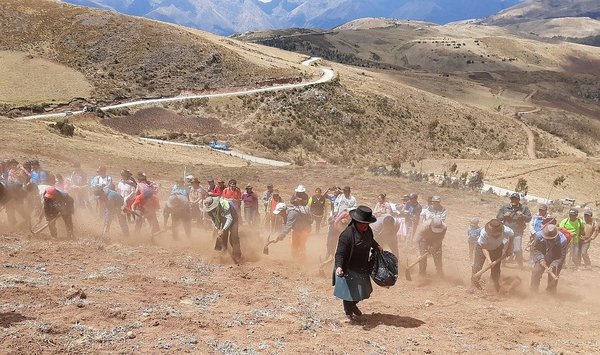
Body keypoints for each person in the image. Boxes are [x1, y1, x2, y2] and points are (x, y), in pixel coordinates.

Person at [333, 206, 381, 321]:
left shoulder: (368, 230)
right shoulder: (347, 235)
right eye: (363, 223)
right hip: (348, 267)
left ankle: (353, 305)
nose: (366, 225)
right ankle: (348, 311)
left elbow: (370, 240)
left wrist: (377, 246)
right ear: (356, 222)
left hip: (363, 265)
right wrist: (339, 266)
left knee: (365, 291)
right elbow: (340, 253)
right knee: (349, 292)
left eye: (367, 223)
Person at [472, 219, 514, 291]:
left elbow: (512, 235)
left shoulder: (506, 230)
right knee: (477, 266)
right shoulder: (484, 233)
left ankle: (494, 285)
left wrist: (510, 247)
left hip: (497, 248)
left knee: (496, 269)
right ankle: (474, 283)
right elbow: (484, 248)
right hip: (482, 248)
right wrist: (489, 260)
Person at [497, 193, 531, 267]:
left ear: (519, 200)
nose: (514, 200)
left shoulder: (524, 208)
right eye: (512, 199)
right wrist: (504, 215)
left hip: (517, 232)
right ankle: (502, 263)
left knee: (517, 250)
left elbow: (529, 219)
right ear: (510, 199)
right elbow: (498, 217)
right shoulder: (505, 207)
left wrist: (523, 216)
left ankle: (520, 264)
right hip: (506, 231)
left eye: (516, 199)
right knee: (502, 248)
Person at [202, 196, 241, 263]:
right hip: (222, 220)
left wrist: (223, 229)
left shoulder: (224, 205)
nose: (211, 210)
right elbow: (213, 220)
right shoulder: (209, 211)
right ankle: (224, 254)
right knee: (223, 237)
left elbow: (229, 218)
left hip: (233, 219)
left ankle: (237, 255)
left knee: (234, 237)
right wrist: (218, 228)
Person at [530, 224, 567, 293]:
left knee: (553, 276)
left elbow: (561, 257)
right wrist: (541, 258)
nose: (549, 240)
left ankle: (550, 294)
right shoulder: (539, 235)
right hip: (542, 255)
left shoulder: (562, 240)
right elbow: (535, 248)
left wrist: (553, 265)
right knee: (536, 271)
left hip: (555, 257)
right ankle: (533, 291)